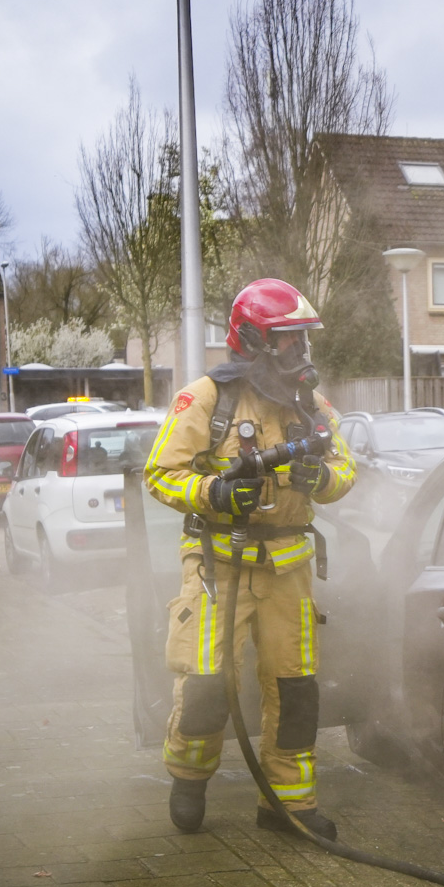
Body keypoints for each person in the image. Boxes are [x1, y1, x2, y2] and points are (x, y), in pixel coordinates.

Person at [145, 278, 357, 840]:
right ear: (255, 339)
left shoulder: (311, 404)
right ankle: (189, 778)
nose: (300, 352)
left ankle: (288, 806)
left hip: (289, 567)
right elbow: (160, 473)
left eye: (303, 340)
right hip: (218, 567)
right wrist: (214, 493)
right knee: (208, 683)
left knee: (294, 688)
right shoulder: (206, 399)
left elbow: (346, 469)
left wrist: (323, 477)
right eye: (289, 340)